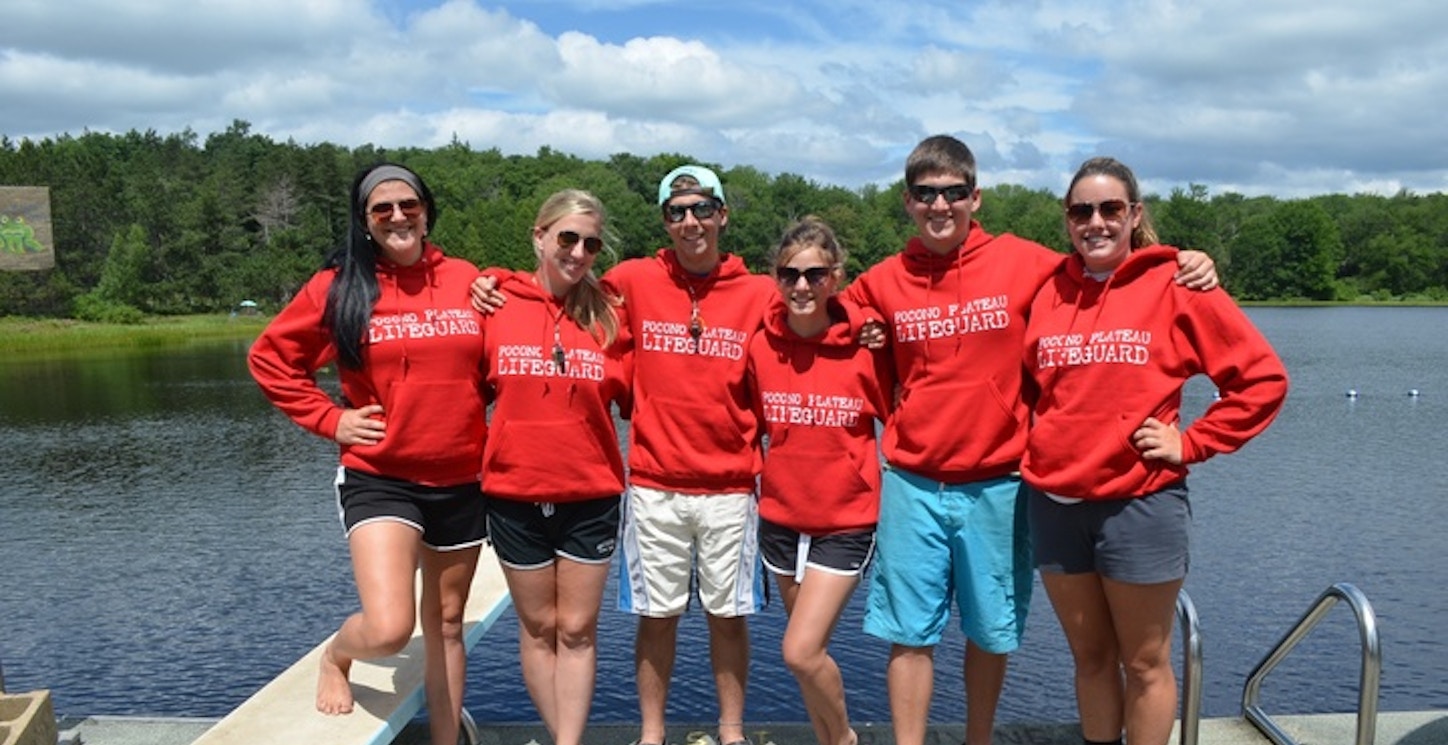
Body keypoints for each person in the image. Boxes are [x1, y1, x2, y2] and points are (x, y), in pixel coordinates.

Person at [841, 135, 1219, 745]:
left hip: (1002, 483)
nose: (940, 206)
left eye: (953, 193)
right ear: (907, 203)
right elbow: (816, 310)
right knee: (909, 634)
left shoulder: (1028, 263)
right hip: (912, 481)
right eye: (925, 195)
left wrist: (1183, 259)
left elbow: (1106, 267)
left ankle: (978, 740)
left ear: (975, 197)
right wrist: (859, 326)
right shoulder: (882, 280)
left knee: (991, 632)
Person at [1021, 157, 1287, 745]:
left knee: (1143, 662)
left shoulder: (1176, 284)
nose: (1096, 222)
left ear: (1134, 214)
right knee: (1090, 658)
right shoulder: (1048, 289)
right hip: (1055, 503)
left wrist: (1191, 442)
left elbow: (1262, 381)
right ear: (1067, 220)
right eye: (1081, 211)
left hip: (1140, 504)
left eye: (1111, 209)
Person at [247, 163, 487, 745]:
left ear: (427, 211)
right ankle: (337, 655)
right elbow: (271, 360)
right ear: (365, 221)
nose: (399, 216)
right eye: (383, 209)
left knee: (448, 625)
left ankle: (446, 740)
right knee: (388, 627)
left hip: (462, 477)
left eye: (409, 204)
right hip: (381, 475)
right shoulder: (339, 287)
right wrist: (332, 419)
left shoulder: (466, 278)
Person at [607, 165, 776, 745]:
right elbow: (560, 285)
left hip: (731, 485)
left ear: (723, 215)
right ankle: (651, 734)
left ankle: (732, 733)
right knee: (658, 617)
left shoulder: (760, 292)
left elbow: (822, 317)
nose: (690, 221)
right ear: (665, 221)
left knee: (728, 618)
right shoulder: (631, 279)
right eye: (677, 211)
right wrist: (496, 279)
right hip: (654, 482)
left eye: (702, 208)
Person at [478, 189, 631, 745]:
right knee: (539, 627)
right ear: (538, 237)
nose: (578, 252)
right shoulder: (493, 304)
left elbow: (647, 396)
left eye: (590, 243)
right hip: (513, 492)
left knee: (577, 630)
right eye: (566, 238)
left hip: (590, 493)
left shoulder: (610, 316)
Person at [745, 217, 893, 745]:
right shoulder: (762, 346)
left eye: (814, 274)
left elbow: (904, 415)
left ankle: (845, 739)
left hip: (846, 521)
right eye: (789, 274)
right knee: (806, 658)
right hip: (781, 518)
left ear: (835, 276)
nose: (801, 286)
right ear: (775, 277)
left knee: (799, 650)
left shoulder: (865, 349)